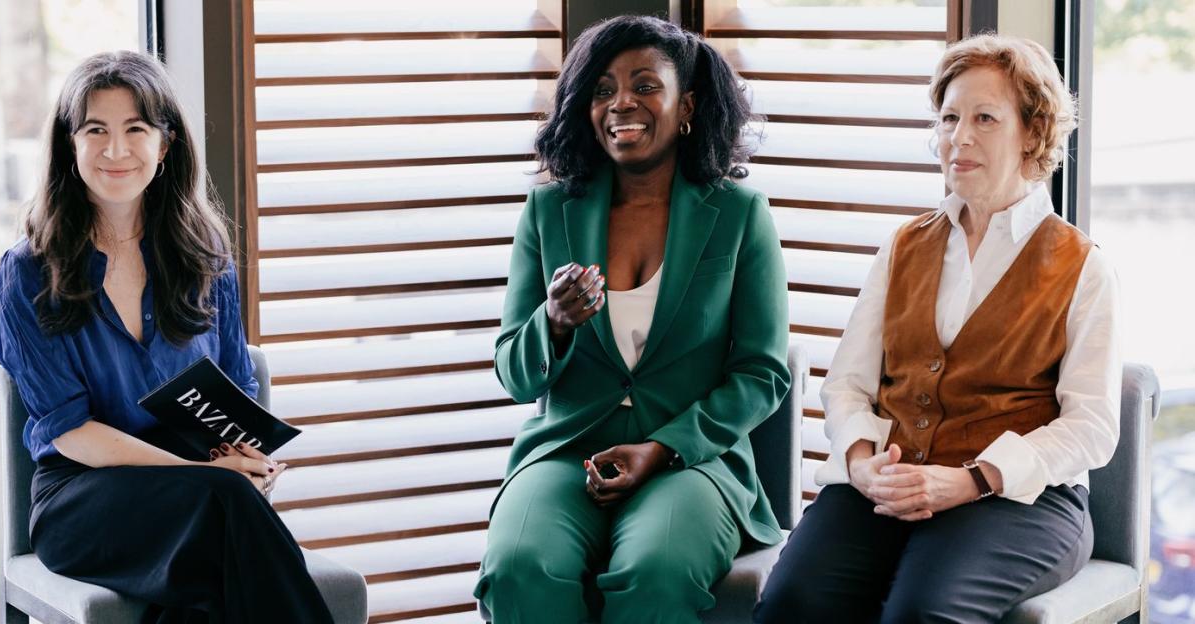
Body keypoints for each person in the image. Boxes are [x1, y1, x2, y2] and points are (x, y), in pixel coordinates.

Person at [754, 34, 1120, 623]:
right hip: (890, 481)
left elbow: (1093, 427)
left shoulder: (1083, 265)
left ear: (1032, 132)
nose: (959, 137)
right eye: (950, 117)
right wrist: (863, 462)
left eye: (984, 118)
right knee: (791, 602)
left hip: (1020, 500)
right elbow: (847, 385)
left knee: (921, 615)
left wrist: (971, 480)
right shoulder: (903, 245)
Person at [0, 51, 334, 623]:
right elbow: (71, 434)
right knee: (227, 509)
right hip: (82, 500)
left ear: (165, 144)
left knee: (210, 585)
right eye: (96, 130)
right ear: (69, 146)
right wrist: (208, 477)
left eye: (136, 129)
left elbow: (232, 391)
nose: (116, 150)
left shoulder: (206, 258)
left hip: (199, 502)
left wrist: (245, 458)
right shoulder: (29, 272)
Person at [473, 15, 791, 624]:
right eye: (602, 88)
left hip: (690, 461)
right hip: (567, 452)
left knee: (656, 572)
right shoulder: (548, 211)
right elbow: (515, 373)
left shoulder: (739, 212)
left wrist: (662, 448)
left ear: (687, 105)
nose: (622, 102)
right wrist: (555, 322)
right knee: (520, 568)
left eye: (645, 85)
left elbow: (762, 373)